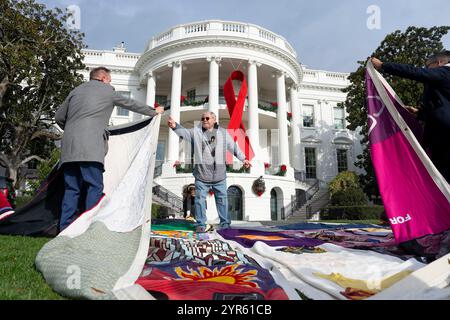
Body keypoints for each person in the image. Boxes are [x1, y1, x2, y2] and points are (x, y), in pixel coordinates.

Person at [55, 66, 164, 231]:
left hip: (69, 148)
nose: (110, 83)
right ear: (104, 78)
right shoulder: (108, 91)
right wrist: (153, 111)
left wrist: (72, 130)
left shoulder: (75, 91)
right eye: (110, 80)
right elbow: (130, 103)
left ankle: (64, 229)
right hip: (91, 148)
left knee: (72, 189)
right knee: (94, 186)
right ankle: (89, 227)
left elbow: (58, 117)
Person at [371, 52, 450, 183]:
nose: (426, 70)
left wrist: (383, 66)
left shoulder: (445, 72)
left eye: (427, 66)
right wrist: (419, 113)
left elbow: (415, 72)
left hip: (443, 135)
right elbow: (441, 106)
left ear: (439, 63)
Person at [168, 112, 251, 232]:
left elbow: (233, 147)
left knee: (222, 200)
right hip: (202, 175)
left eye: (207, 118)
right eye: (202, 118)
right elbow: (185, 133)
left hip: (219, 176)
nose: (204, 120)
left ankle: (225, 224)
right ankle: (201, 225)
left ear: (214, 119)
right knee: (199, 200)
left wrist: (244, 159)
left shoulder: (223, 133)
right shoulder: (196, 132)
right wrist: (175, 126)